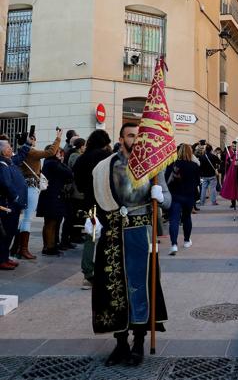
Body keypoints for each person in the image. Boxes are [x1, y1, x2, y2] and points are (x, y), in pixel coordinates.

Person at [88, 122, 170, 366]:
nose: (136, 139)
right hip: (112, 233)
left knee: (140, 288)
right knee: (112, 288)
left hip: (140, 232)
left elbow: (167, 198)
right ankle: (120, 343)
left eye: (138, 135)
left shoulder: (153, 166)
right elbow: (92, 198)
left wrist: (161, 196)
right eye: (131, 135)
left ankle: (138, 343)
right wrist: (92, 218)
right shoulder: (105, 167)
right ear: (121, 138)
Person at [13, 128, 62, 259]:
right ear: (29, 139)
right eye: (34, 138)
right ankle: (23, 249)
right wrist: (58, 138)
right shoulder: (30, 151)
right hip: (31, 186)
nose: (35, 140)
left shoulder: (21, 151)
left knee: (24, 218)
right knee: (28, 218)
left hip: (25, 185)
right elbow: (50, 152)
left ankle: (17, 248)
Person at [73, 129, 112, 289]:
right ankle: (105, 272)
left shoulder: (82, 158)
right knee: (108, 235)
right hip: (108, 200)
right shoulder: (108, 157)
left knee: (91, 235)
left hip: (90, 201)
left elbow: (78, 181)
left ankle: (88, 274)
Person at [0, 138, 31, 270]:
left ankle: (5, 257)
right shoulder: (2, 164)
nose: (11, 149)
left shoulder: (9, 161)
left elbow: (20, 157)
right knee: (5, 233)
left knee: (11, 231)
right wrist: (16, 197)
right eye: (8, 147)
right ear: (2, 151)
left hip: (13, 204)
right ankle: (1, 260)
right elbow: (6, 184)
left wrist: (28, 144)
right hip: (8, 204)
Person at [36, 147, 73, 256]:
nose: (61, 154)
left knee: (51, 222)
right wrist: (61, 161)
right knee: (51, 222)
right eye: (59, 152)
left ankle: (48, 245)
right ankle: (49, 247)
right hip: (52, 197)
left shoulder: (50, 162)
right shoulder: (52, 163)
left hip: (51, 196)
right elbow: (68, 173)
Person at [167, 144, 201, 255]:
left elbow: (168, 179)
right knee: (187, 218)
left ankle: (174, 244)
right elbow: (197, 182)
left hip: (175, 196)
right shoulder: (194, 166)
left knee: (174, 220)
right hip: (189, 196)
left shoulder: (172, 164)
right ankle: (186, 241)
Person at [220, 140, 238, 209]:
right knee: (232, 189)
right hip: (230, 173)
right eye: (233, 146)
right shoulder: (229, 152)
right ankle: (233, 203)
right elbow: (226, 161)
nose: (233, 147)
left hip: (237, 173)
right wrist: (229, 161)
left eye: (235, 146)